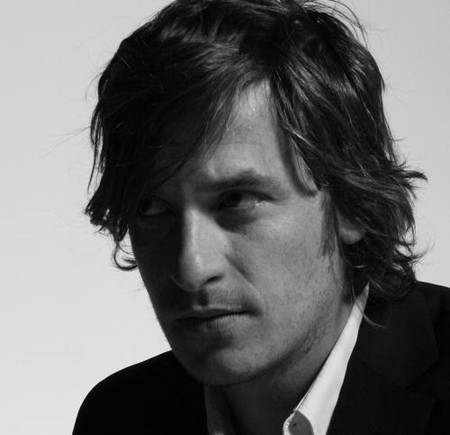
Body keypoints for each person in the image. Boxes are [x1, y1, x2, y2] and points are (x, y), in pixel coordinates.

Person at [73, 0, 450, 433]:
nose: (191, 268)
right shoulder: (119, 416)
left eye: (235, 200)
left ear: (352, 202)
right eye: (151, 208)